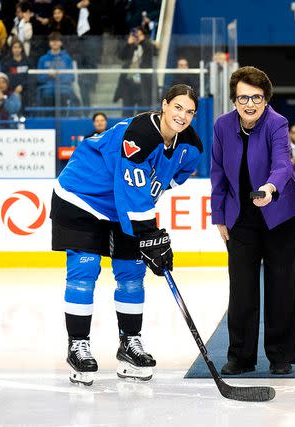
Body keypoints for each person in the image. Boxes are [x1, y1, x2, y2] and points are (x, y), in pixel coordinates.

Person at [50, 84, 202, 386]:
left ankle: (129, 344)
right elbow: (131, 191)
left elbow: (171, 179)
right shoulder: (139, 136)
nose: (182, 116)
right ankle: (77, 345)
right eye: (177, 107)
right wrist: (149, 234)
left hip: (123, 205)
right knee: (84, 268)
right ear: (164, 105)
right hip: (82, 195)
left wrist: (149, 235)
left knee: (131, 272)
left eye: (189, 111)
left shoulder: (191, 146)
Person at [211, 66, 295, 376]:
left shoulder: (276, 123)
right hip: (240, 216)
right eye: (242, 98)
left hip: (279, 213)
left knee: (282, 285)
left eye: (256, 97)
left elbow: (283, 162)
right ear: (234, 99)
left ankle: (280, 355)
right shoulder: (222, 126)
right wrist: (218, 215)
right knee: (241, 288)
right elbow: (217, 173)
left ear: (266, 99)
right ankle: (240, 355)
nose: (249, 104)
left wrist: (269, 187)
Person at [36, 32, 78, 111]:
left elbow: (71, 77)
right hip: (47, 89)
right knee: (46, 96)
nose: (55, 42)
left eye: (57, 40)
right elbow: (39, 78)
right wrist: (48, 75)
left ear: (61, 43)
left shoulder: (67, 58)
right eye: (52, 40)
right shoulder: (42, 59)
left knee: (65, 95)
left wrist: (58, 75)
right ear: (49, 43)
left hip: (64, 89)